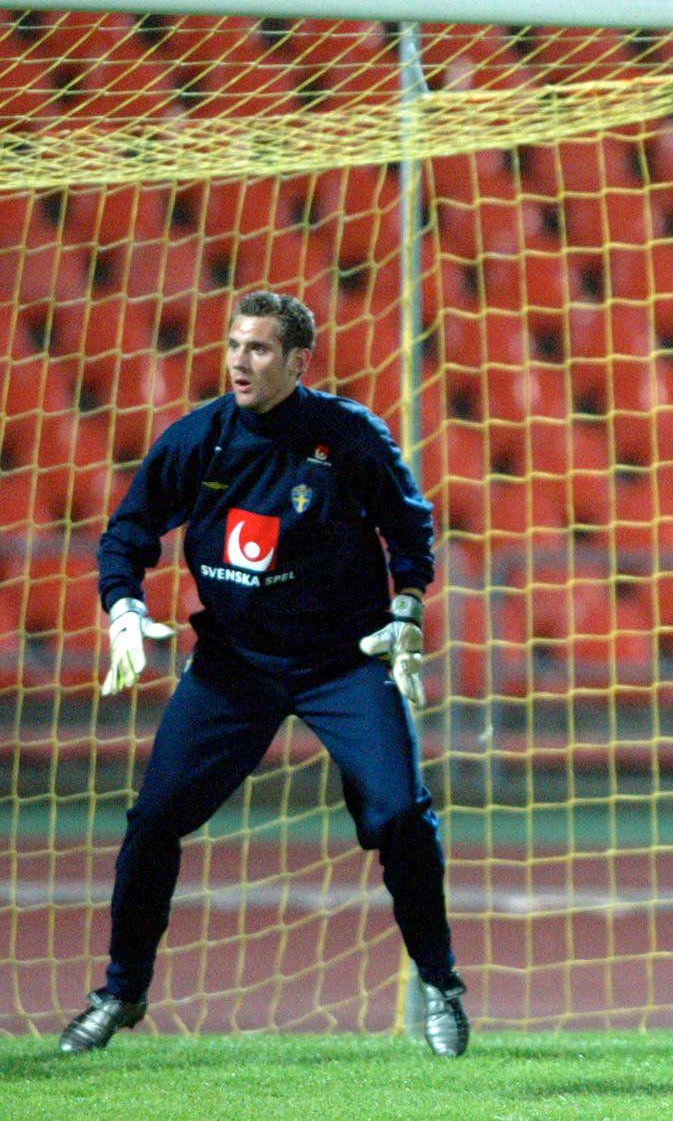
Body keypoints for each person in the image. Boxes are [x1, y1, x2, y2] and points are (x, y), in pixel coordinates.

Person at [63, 290, 469, 1057]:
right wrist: (122, 605)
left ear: (297, 362)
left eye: (258, 349)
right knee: (153, 822)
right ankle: (120, 990)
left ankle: (440, 983)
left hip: (342, 663)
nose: (240, 362)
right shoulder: (200, 440)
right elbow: (127, 533)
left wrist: (408, 606)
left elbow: (409, 524)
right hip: (233, 668)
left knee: (399, 816)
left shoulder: (347, 437)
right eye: (234, 346)